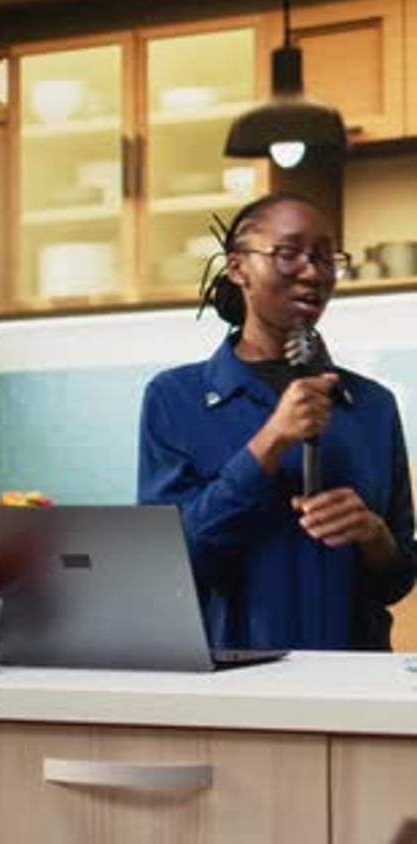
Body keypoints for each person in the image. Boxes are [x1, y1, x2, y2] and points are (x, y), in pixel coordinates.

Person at [137, 191, 416, 651]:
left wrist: (373, 534)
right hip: (234, 678)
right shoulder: (175, 398)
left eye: (325, 257)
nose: (313, 271)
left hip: (355, 677)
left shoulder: (373, 406)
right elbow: (170, 568)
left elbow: (397, 581)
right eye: (288, 253)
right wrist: (270, 440)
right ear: (238, 267)